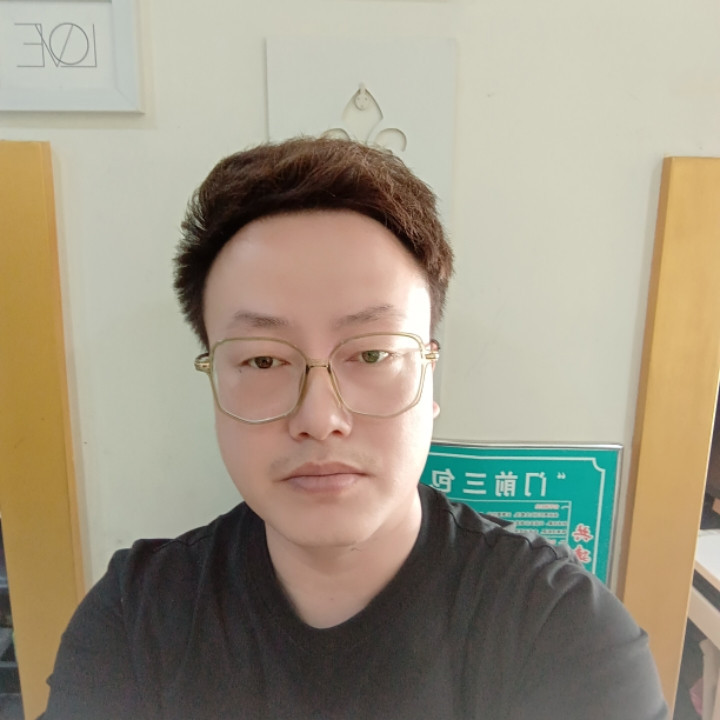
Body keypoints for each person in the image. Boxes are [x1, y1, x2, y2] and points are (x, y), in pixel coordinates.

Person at [41, 137, 667, 720]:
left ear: (430, 380)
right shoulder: (135, 621)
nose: (320, 419)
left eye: (371, 354)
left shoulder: (561, 633)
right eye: (262, 361)